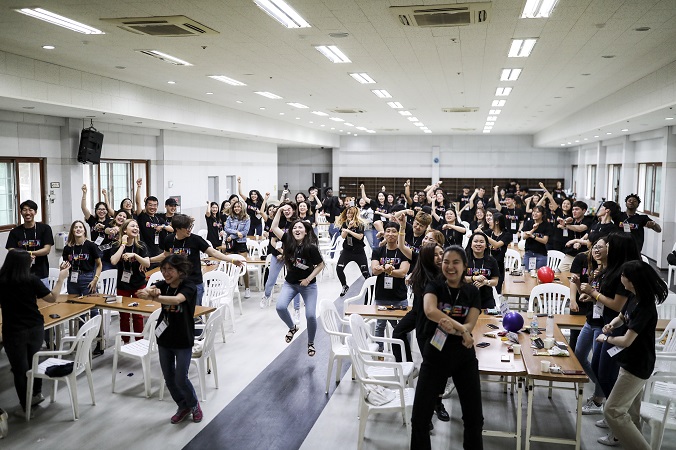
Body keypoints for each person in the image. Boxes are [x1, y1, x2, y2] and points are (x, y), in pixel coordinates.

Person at [411, 246, 483, 449]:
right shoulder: (434, 286)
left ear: (465, 266)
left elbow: (471, 322)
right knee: (419, 418)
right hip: (435, 354)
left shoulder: (472, 292)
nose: (450, 267)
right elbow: (430, 310)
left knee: (474, 419)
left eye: (455, 262)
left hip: (463, 356)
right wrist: (461, 329)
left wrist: (460, 329)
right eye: (446, 262)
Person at [595, 260, 668, 448]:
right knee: (632, 413)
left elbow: (626, 341)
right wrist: (612, 324)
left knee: (613, 410)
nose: (621, 279)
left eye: (623, 276)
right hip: (628, 361)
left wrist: (606, 339)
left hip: (637, 366)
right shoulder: (633, 297)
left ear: (632, 280)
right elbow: (622, 316)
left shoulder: (645, 306)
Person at [580, 232, 639, 444]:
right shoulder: (610, 270)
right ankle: (611, 414)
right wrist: (591, 294)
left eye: (608, 245)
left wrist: (594, 294)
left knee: (607, 373)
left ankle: (616, 422)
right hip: (607, 325)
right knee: (598, 367)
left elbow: (619, 306)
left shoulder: (623, 274)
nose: (602, 248)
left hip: (616, 330)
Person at [0, 249, 69, 418]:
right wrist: (61, 278)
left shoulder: (1, 281)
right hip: (35, 327)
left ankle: (26, 405)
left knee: (20, 370)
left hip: (13, 330)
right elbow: (52, 298)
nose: (31, 262)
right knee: (34, 363)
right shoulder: (31, 280)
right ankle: (36, 395)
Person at [137, 255, 202, 424]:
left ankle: (194, 404)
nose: (166, 273)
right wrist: (149, 290)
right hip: (164, 338)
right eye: (163, 270)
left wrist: (153, 297)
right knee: (169, 377)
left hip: (183, 338)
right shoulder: (162, 286)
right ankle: (183, 406)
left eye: (170, 270)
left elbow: (177, 300)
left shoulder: (189, 286)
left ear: (180, 271)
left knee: (181, 377)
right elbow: (144, 290)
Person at [151, 214, 245, 307]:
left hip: (194, 282)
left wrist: (232, 260)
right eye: (186, 227)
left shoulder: (196, 240)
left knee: (195, 313)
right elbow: (165, 255)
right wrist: (148, 260)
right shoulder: (169, 240)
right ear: (178, 229)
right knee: (177, 311)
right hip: (176, 282)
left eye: (190, 226)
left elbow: (214, 252)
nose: (189, 229)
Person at [270, 204, 325, 357]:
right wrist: (280, 211)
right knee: (280, 307)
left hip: (308, 286)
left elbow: (321, 265)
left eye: (300, 228)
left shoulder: (311, 247)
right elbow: (274, 227)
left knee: (310, 316)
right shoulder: (288, 240)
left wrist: (308, 279)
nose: (297, 230)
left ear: (306, 231)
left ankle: (311, 343)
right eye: (294, 228)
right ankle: (292, 327)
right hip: (291, 284)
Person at [571, 236, 606, 415]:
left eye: (600, 247)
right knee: (579, 356)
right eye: (594, 247)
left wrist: (593, 293)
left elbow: (609, 301)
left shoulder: (610, 273)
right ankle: (604, 390)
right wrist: (578, 285)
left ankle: (600, 398)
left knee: (598, 363)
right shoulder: (595, 271)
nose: (596, 250)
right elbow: (587, 298)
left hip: (602, 324)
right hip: (590, 319)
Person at [370, 221, 411, 351]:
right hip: (382, 294)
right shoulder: (378, 250)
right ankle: (379, 351)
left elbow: (403, 273)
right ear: (384, 233)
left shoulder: (404, 251)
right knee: (380, 325)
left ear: (399, 234)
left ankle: (405, 350)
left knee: (402, 327)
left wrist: (388, 271)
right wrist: (384, 267)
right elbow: (374, 271)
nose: (391, 234)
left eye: (394, 231)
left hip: (399, 296)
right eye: (388, 231)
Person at [110, 219, 151, 342]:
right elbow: (113, 261)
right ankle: (126, 341)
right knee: (124, 315)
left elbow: (147, 263)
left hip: (139, 283)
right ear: (124, 230)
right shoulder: (116, 246)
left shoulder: (141, 246)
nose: (136, 228)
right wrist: (123, 245)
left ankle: (140, 341)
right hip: (123, 285)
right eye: (132, 226)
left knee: (138, 315)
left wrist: (135, 256)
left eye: (137, 226)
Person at [5, 200, 54, 285]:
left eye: (31, 210)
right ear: (21, 212)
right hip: (20, 274)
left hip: (41, 273)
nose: (28, 213)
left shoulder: (45, 228)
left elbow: (47, 250)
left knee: (42, 298)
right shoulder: (15, 232)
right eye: (24, 210)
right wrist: (25, 256)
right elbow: (11, 250)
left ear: (35, 212)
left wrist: (28, 253)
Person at [334, 206, 370, 297]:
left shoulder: (360, 224)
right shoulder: (345, 223)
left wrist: (349, 231)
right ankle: (344, 285)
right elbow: (343, 236)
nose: (348, 215)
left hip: (359, 251)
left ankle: (371, 288)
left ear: (355, 215)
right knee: (339, 269)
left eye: (351, 213)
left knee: (365, 272)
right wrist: (348, 228)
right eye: (347, 213)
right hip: (347, 250)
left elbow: (360, 237)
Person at [61, 220, 102, 296]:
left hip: (87, 278)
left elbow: (99, 264)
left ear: (84, 231)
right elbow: (65, 266)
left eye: (80, 227)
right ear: (72, 231)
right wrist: (62, 268)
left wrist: (95, 279)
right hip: (72, 279)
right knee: (73, 306)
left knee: (92, 305)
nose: (78, 229)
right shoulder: (67, 248)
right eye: (76, 227)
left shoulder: (91, 246)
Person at [224, 200, 252, 298]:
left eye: (239, 207)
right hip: (230, 244)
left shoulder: (247, 218)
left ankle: (247, 288)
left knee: (243, 266)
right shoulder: (229, 217)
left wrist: (232, 236)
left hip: (241, 243)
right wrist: (235, 233)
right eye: (235, 207)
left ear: (242, 208)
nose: (237, 208)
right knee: (228, 266)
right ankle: (229, 288)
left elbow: (244, 232)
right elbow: (226, 229)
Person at [465, 231, 500, 309]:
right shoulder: (464, 260)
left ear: (486, 246)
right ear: (471, 245)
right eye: (475, 241)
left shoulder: (492, 261)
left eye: (481, 242)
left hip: (487, 300)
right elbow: (459, 279)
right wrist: (473, 278)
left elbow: (495, 281)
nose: (478, 244)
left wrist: (486, 282)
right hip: (466, 298)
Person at [561, 200, 594, 272]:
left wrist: (566, 225)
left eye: (577, 209)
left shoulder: (588, 220)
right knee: (559, 272)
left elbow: (580, 228)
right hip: (570, 254)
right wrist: (565, 222)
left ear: (584, 211)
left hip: (582, 254)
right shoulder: (572, 220)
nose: (574, 211)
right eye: (573, 209)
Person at [485, 211, 511, 294]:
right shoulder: (488, 232)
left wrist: (483, 235)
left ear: (497, 222)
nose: (489, 221)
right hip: (486, 265)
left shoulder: (506, 235)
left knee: (497, 291)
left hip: (498, 266)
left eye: (491, 219)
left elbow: (496, 245)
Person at [137, 195, 166, 261]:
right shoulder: (142, 216)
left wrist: (162, 226)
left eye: (155, 205)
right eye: (150, 205)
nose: (153, 207)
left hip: (157, 249)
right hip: (145, 251)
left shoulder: (158, 218)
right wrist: (139, 187)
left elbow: (171, 228)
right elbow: (138, 202)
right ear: (145, 206)